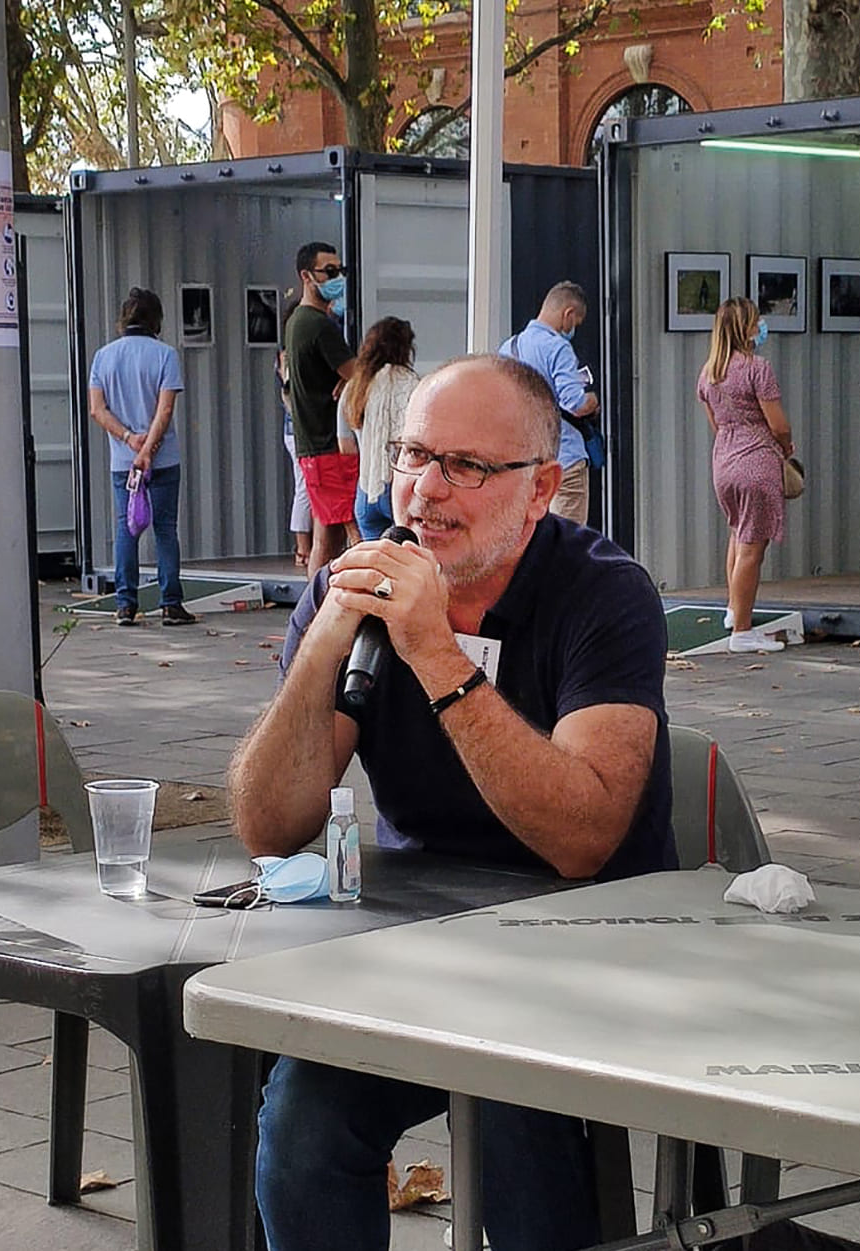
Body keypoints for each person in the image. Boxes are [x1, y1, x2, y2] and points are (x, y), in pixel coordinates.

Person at [229, 353, 675, 1251]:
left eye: (465, 466)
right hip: (425, 943)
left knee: (513, 1109)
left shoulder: (603, 592)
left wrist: (435, 651)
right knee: (305, 1120)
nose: (425, 489)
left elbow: (582, 838)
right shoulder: (354, 588)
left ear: (539, 488)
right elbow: (270, 827)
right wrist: (323, 644)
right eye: (412, 455)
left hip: (592, 945)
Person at [88, 286, 197, 627]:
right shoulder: (165, 355)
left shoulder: (103, 357)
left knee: (126, 528)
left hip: (124, 461)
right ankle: (171, 604)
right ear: (156, 320)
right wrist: (149, 448)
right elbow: (165, 411)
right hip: (162, 459)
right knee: (165, 529)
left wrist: (128, 438)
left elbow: (97, 410)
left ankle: (125, 604)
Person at [696, 297, 795, 654]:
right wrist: (786, 446)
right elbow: (778, 424)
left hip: (724, 462)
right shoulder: (757, 368)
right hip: (756, 461)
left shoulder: (709, 373)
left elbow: (716, 423)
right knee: (753, 548)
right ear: (745, 329)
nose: (761, 327)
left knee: (738, 533)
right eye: (756, 322)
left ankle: (732, 610)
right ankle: (742, 631)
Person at [284, 241, 358, 578]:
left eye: (339, 271)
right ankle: (320, 602)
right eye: (328, 272)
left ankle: (317, 602)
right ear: (306, 276)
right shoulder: (318, 325)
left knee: (327, 533)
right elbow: (358, 374)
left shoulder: (298, 321)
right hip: (329, 445)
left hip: (313, 445)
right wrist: (351, 379)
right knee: (347, 532)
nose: (336, 278)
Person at [500, 281, 599, 526]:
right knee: (567, 537)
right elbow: (574, 403)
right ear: (568, 314)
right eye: (576, 323)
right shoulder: (558, 348)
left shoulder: (508, 348)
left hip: (524, 459)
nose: (573, 328)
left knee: (529, 534)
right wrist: (592, 401)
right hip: (563, 457)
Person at [336, 316, 418, 540]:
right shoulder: (412, 385)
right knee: (404, 556)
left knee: (375, 558)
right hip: (399, 488)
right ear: (406, 349)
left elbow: (346, 447)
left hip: (366, 490)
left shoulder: (353, 389)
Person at [278, 293, 312, 568]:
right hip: (299, 428)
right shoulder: (288, 355)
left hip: (294, 427)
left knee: (305, 487)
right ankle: (303, 548)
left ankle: (304, 546)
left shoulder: (287, 353)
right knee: (304, 488)